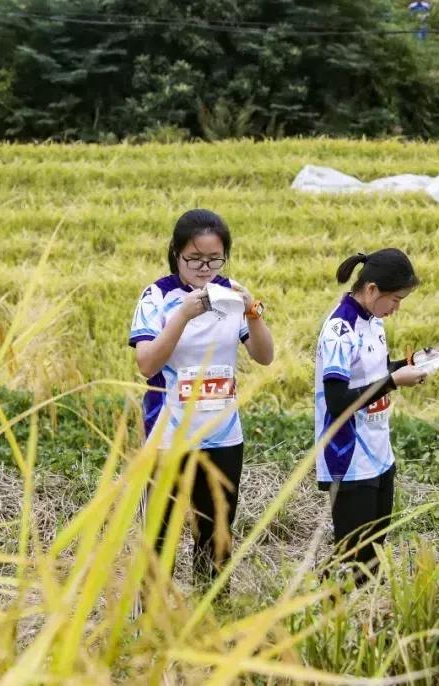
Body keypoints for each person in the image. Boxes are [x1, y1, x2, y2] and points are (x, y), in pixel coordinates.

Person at [129, 209, 274, 586]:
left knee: (216, 538)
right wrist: (182, 315)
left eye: (214, 259)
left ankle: (209, 618)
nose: (204, 268)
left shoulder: (230, 295)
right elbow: (146, 363)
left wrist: (253, 311)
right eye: (194, 259)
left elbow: (264, 356)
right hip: (167, 436)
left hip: (224, 436)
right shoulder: (156, 296)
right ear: (176, 253)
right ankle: (152, 624)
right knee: (160, 536)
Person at [314, 248, 431, 586]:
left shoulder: (374, 323)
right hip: (348, 458)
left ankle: (363, 623)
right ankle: (323, 615)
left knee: (374, 552)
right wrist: (394, 381)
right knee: (353, 557)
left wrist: (409, 364)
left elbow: (373, 377)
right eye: (395, 298)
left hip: (380, 454)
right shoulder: (340, 329)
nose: (397, 307)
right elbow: (338, 401)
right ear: (371, 290)